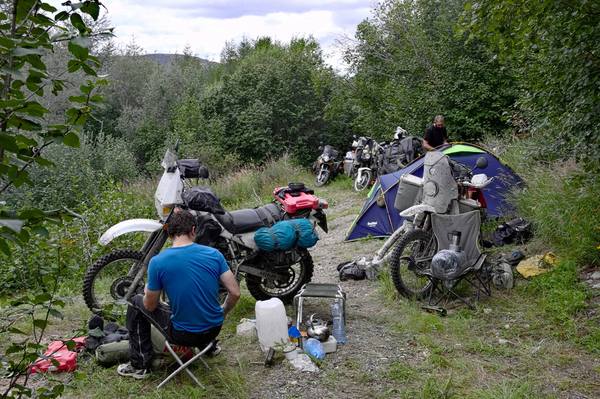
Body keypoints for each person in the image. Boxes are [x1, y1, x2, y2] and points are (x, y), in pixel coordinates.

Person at [117, 209, 240, 379]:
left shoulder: (158, 262)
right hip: (213, 330)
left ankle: (139, 365)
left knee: (136, 302)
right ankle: (210, 348)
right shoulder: (215, 255)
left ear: (169, 234)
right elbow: (235, 292)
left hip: (183, 335)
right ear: (193, 230)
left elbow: (150, 306)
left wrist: (147, 292)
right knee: (194, 304)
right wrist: (223, 312)